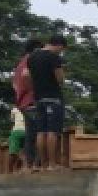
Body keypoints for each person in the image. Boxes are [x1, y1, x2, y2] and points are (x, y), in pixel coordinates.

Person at [24, 34, 68, 170]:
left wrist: (34, 87)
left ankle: (43, 164)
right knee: (52, 131)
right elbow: (60, 79)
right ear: (59, 45)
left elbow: (26, 76)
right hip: (53, 97)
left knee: (40, 131)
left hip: (39, 98)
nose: (61, 52)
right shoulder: (54, 57)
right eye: (61, 49)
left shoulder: (32, 57)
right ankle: (52, 164)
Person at [12, 39, 41, 168]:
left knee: (31, 134)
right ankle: (36, 164)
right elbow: (25, 76)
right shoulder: (31, 61)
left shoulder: (20, 63)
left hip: (23, 102)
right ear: (35, 49)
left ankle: (29, 164)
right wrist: (34, 93)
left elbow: (14, 84)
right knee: (38, 133)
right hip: (31, 101)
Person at [8, 106, 26, 172]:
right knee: (23, 152)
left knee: (12, 153)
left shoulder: (14, 109)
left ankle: (10, 172)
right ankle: (23, 168)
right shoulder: (30, 107)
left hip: (16, 131)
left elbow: (12, 120)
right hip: (27, 132)